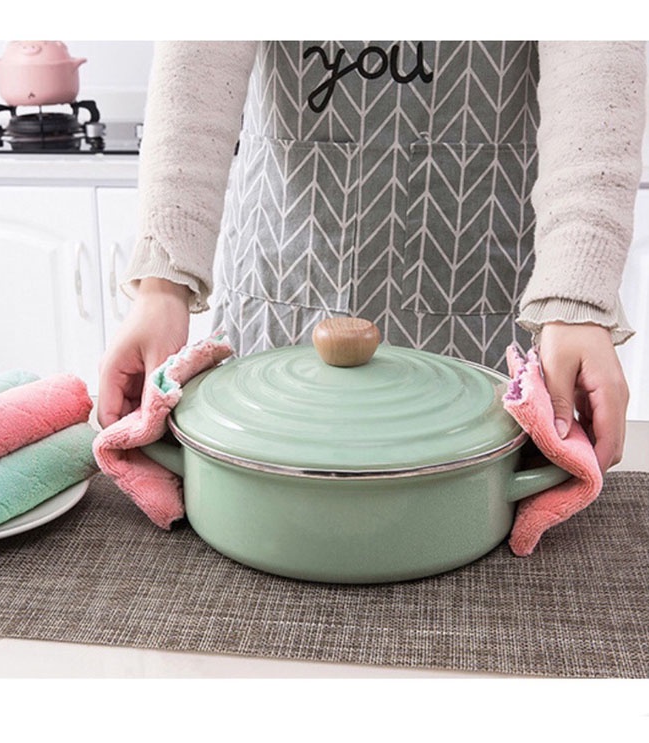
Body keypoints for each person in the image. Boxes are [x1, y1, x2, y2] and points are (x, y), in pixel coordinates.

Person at [97, 41, 646, 474]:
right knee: (271, 463)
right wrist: (162, 283)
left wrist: (575, 298)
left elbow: (596, 51)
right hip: (284, 272)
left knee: (473, 482)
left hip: (483, 280)